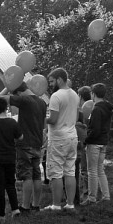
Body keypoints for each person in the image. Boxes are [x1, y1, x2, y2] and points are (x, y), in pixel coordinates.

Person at [0, 82, 47, 213]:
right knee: (37, 175)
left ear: (18, 93)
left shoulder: (24, 100)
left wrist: (8, 86)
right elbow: (44, 124)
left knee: (27, 175)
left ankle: (25, 206)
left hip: (25, 143)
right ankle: (36, 205)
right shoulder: (42, 102)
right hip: (38, 142)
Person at [44, 68, 79, 211]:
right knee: (70, 171)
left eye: (52, 81)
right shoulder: (75, 94)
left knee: (56, 172)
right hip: (72, 136)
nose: (50, 84)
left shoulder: (56, 96)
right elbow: (76, 117)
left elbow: (52, 119)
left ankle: (56, 205)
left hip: (58, 138)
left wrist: (43, 117)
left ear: (59, 79)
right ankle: (70, 204)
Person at [0, 97, 22, 219]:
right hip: (10, 157)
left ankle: (1, 213)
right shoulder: (12, 122)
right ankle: (15, 209)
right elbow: (20, 137)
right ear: (6, 108)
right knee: (10, 183)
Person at [83, 83, 113, 205]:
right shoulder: (108, 108)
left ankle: (91, 198)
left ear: (93, 94)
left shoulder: (96, 109)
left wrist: (86, 140)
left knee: (92, 171)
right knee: (100, 170)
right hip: (103, 142)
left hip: (94, 143)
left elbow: (95, 129)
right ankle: (106, 196)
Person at [75, 85, 92, 203]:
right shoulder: (93, 107)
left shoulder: (81, 110)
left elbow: (81, 126)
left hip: (83, 141)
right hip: (90, 141)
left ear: (80, 96)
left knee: (84, 169)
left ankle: (86, 193)